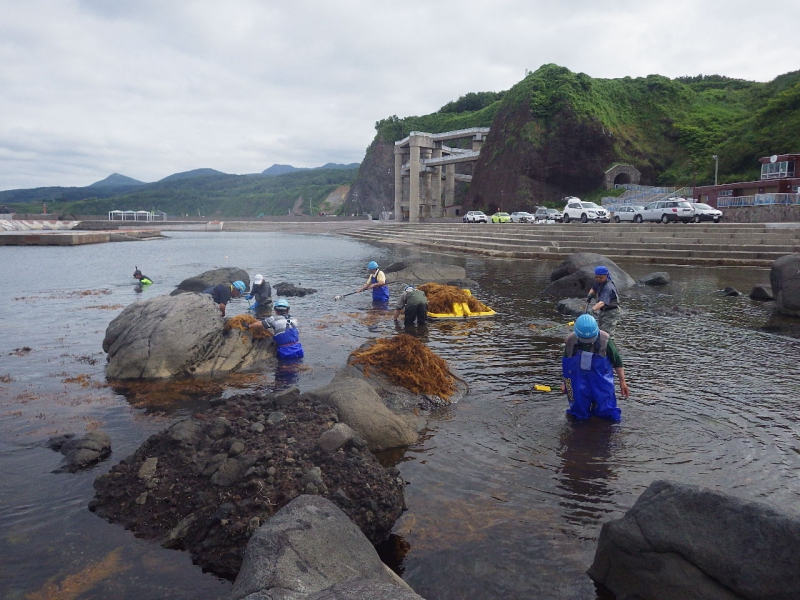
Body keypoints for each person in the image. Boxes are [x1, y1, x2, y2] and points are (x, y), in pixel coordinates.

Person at [561, 314, 629, 422]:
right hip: (578, 379)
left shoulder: (605, 339)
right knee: (578, 410)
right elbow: (567, 364)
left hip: (601, 379)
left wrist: (622, 381)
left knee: (606, 410)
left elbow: (617, 361)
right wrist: (566, 383)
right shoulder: (570, 340)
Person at [587, 265, 621, 337]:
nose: (598, 279)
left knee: (607, 332)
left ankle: (608, 346)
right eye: (596, 277)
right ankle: (601, 345)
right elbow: (594, 288)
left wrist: (592, 310)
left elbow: (602, 302)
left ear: (606, 275)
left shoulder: (608, 287)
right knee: (600, 329)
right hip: (603, 311)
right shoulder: (599, 282)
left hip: (611, 312)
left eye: (601, 277)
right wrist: (589, 295)